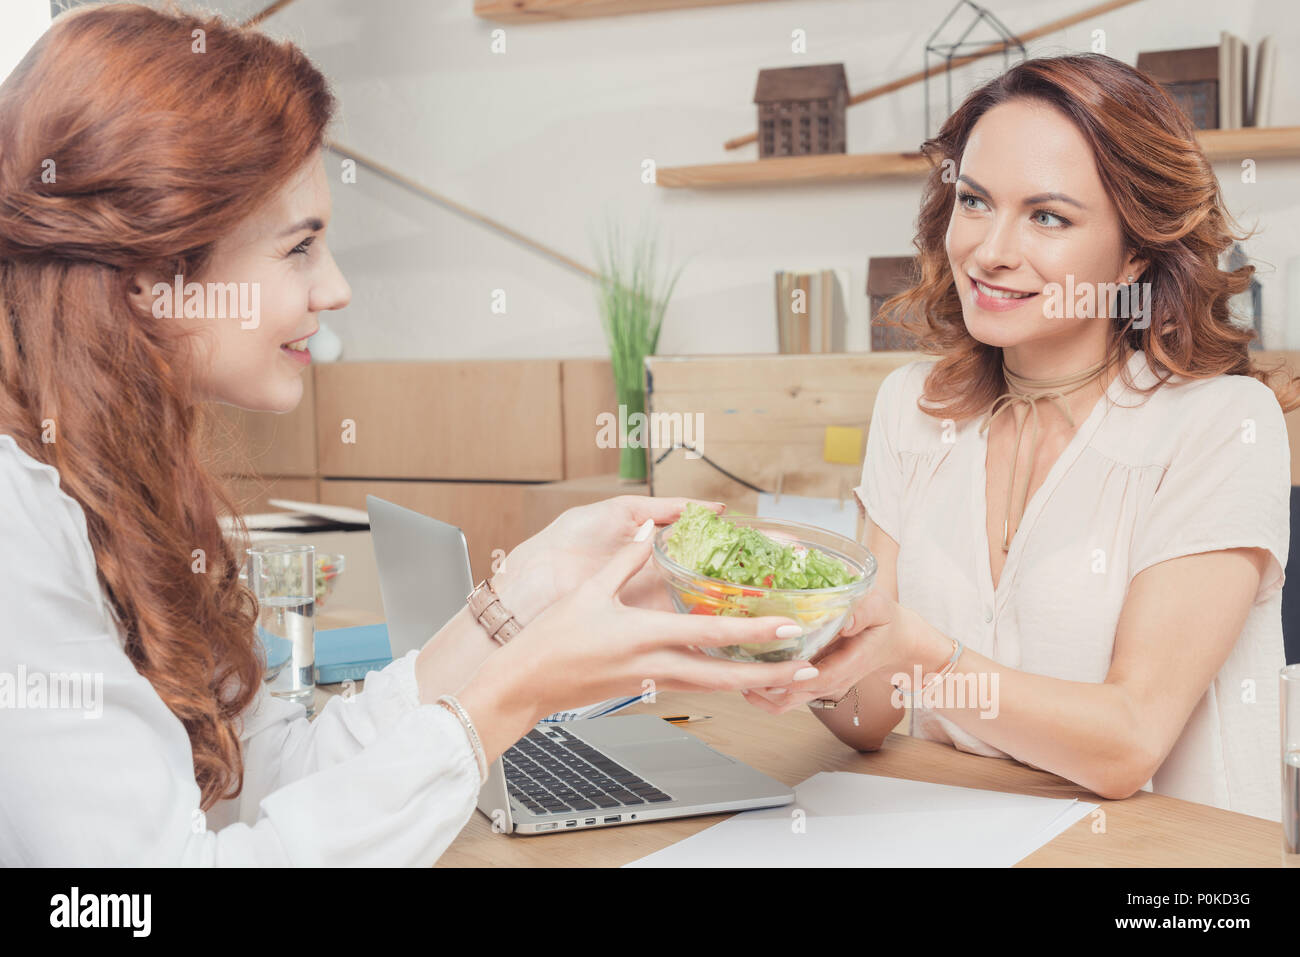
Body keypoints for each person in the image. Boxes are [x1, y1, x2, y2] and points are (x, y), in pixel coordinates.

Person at [0, 4, 825, 865]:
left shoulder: (121, 485)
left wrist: (518, 603)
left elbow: (275, 777)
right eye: (299, 249)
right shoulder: (16, 525)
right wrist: (516, 692)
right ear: (150, 275)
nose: (337, 288)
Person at [743, 53, 1299, 823]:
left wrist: (923, 652)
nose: (990, 249)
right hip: (958, 831)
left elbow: (1128, 742)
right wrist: (801, 646)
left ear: (1135, 249)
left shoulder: (1222, 425)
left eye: (1048, 216)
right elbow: (870, 717)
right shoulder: (913, 407)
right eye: (974, 201)